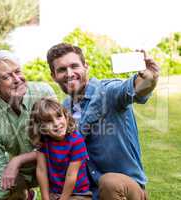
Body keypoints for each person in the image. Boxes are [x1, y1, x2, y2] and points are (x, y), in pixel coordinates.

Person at [46, 43, 160, 200]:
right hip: (90, 192)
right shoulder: (64, 109)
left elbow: (135, 89)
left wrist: (150, 79)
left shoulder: (108, 92)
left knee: (109, 183)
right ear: (54, 76)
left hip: (124, 189)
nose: (69, 73)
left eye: (74, 66)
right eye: (61, 70)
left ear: (85, 66)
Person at [0, 50, 56, 199]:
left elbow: (61, 143)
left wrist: (18, 160)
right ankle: (25, 194)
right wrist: (5, 195)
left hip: (52, 165)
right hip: (18, 173)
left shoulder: (43, 93)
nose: (17, 79)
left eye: (17, 71)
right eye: (7, 77)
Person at [29, 97, 91, 200]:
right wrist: (45, 198)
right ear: (40, 127)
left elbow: (71, 175)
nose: (56, 124)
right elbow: (41, 170)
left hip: (78, 194)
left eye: (59, 117)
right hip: (55, 192)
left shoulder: (76, 140)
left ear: (66, 117)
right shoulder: (43, 141)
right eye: (49, 121)